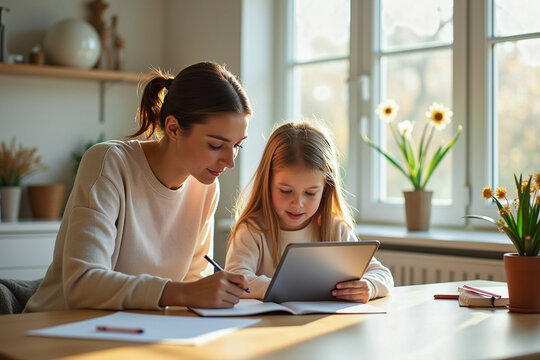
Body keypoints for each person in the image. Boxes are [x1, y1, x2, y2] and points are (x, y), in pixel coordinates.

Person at [25, 61, 252, 312]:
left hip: (133, 333)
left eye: (237, 146)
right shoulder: (109, 163)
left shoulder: (206, 187)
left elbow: (194, 284)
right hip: (55, 329)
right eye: (215, 145)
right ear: (174, 128)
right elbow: (82, 284)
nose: (230, 161)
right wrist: (184, 293)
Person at [225, 121, 394, 302]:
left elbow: (382, 274)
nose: (297, 203)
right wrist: (290, 288)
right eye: (286, 191)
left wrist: (369, 286)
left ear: (326, 190)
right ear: (267, 184)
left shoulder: (335, 228)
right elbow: (236, 280)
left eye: (310, 193)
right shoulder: (252, 230)